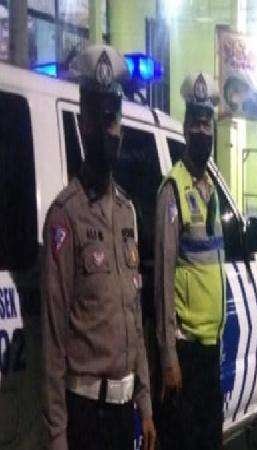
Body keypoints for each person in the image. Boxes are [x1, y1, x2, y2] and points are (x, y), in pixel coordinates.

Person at [41, 45, 156, 450]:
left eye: (114, 118)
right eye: (98, 118)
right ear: (83, 123)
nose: (107, 130)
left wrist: (145, 403)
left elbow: (134, 318)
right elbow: (54, 340)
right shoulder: (65, 215)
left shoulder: (127, 212)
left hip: (124, 413)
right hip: (86, 415)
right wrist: (57, 436)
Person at [153, 72, 225, 450]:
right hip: (185, 351)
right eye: (195, 123)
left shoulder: (212, 188)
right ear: (185, 129)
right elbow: (164, 280)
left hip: (210, 347)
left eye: (206, 123)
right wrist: (168, 356)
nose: (201, 131)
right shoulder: (173, 189)